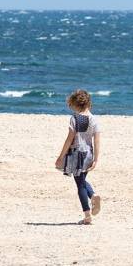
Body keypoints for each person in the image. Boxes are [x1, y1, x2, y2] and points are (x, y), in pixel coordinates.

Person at [55, 89, 101, 224]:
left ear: (75, 104)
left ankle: (87, 214)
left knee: (79, 184)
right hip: (89, 153)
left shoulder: (75, 118)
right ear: (88, 103)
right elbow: (97, 141)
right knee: (82, 180)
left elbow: (70, 138)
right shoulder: (94, 119)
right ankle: (93, 195)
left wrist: (61, 156)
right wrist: (96, 159)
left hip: (76, 153)